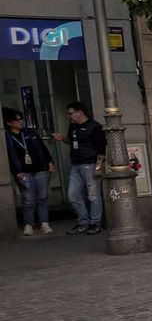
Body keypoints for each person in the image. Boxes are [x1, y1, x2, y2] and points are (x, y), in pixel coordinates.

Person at [53, 101, 104, 235]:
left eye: (71, 113)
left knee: (93, 195)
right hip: (76, 164)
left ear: (80, 112)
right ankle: (83, 222)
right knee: (73, 195)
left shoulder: (94, 127)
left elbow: (102, 149)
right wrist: (63, 138)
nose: (69, 116)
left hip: (90, 163)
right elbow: (72, 141)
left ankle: (95, 223)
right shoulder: (73, 126)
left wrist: (98, 167)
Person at [6, 107, 54, 236]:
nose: (20, 122)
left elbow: (42, 148)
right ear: (9, 123)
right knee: (28, 199)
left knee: (42, 197)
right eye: (17, 120)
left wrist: (49, 162)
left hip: (40, 168)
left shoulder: (30, 133)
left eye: (21, 119)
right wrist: (16, 171)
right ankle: (29, 224)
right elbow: (9, 157)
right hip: (23, 172)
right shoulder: (7, 137)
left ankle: (44, 222)